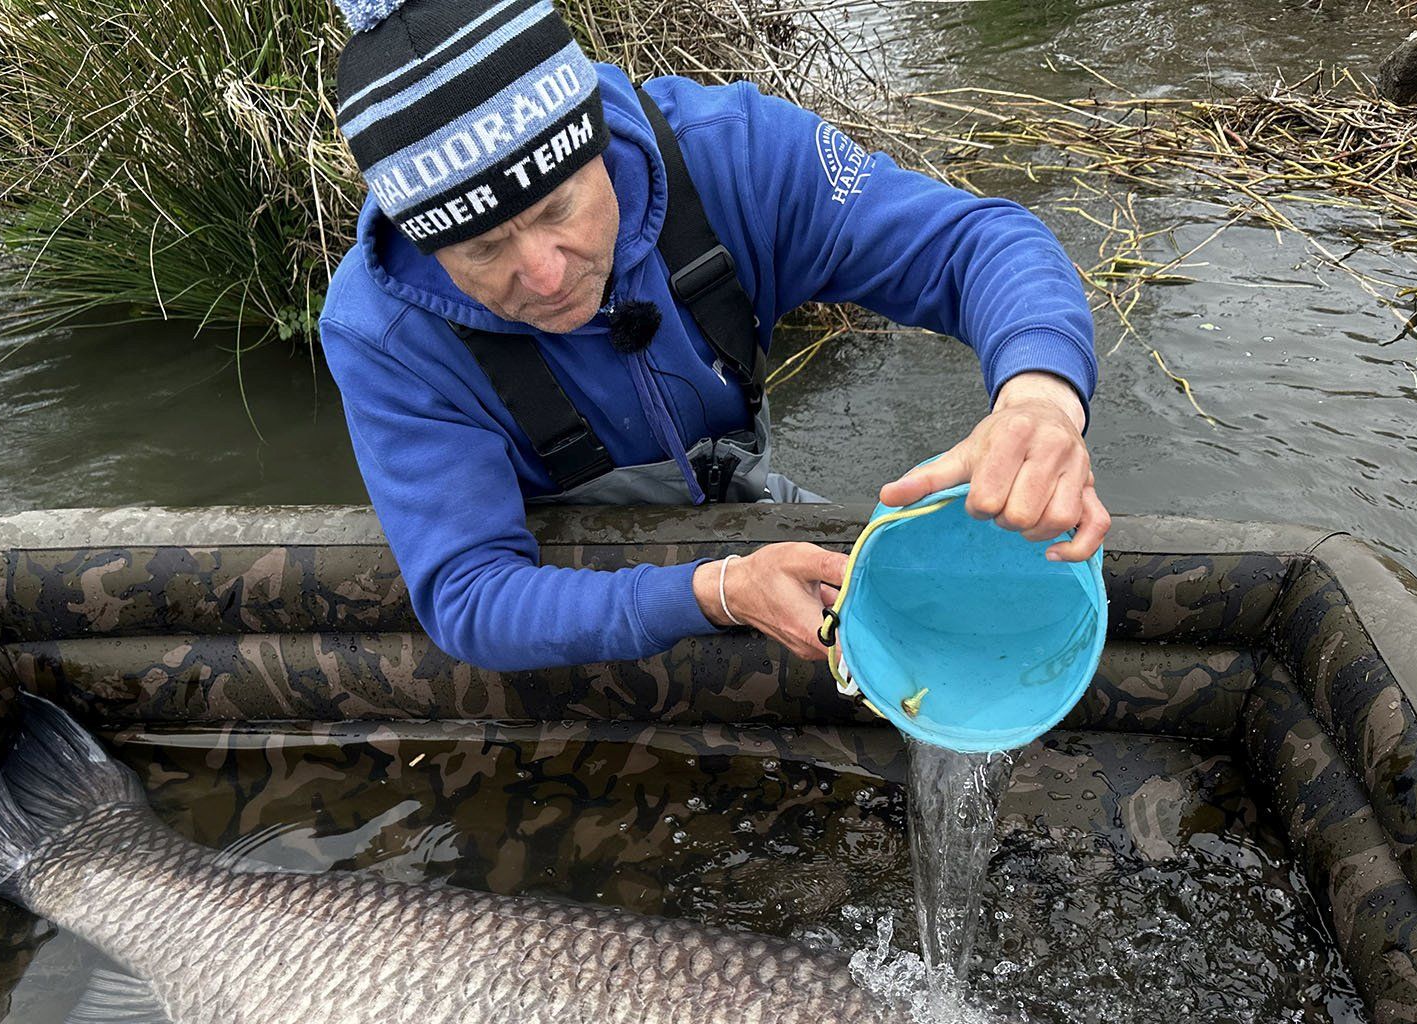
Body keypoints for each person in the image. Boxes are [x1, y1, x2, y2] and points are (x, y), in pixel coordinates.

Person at [319, 0, 1104, 671]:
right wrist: (716, 589)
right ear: (426, 243)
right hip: (568, 588)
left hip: (741, 494)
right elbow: (471, 594)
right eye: (485, 250)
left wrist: (1041, 400)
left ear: (596, 145)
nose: (547, 276)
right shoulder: (380, 334)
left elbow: (978, 244)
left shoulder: (735, 154)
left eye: (560, 211)